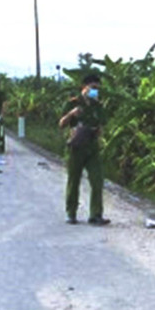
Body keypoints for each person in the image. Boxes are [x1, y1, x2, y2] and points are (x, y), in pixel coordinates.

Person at [58, 73, 108, 225]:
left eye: (97, 89)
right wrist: (71, 114)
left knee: (97, 180)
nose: (95, 91)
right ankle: (71, 213)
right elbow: (61, 124)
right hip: (76, 147)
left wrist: (98, 131)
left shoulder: (98, 106)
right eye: (93, 88)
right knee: (74, 181)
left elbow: (102, 124)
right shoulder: (72, 103)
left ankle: (96, 214)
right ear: (84, 87)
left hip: (92, 146)